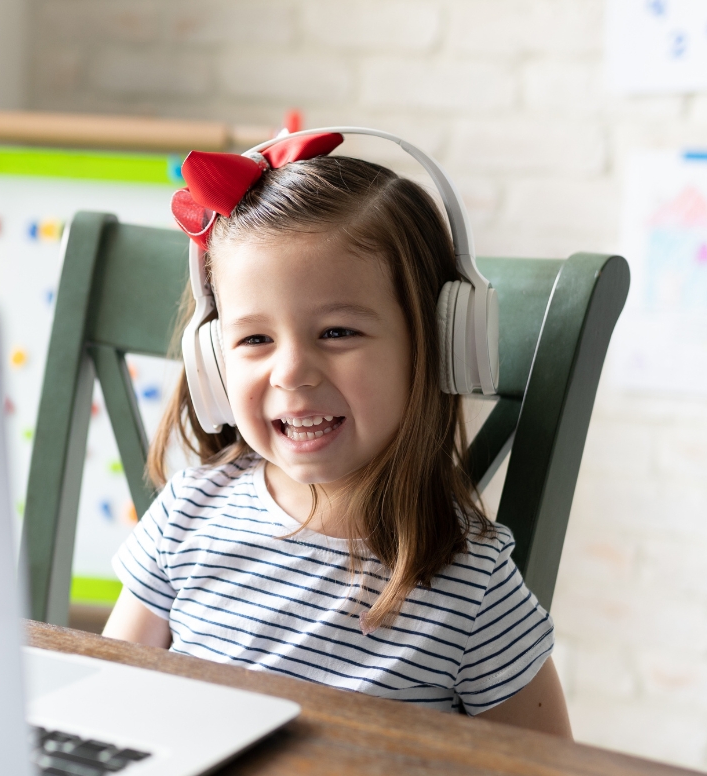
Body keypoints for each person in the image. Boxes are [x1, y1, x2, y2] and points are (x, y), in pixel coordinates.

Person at [101, 137, 571, 738]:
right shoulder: (187, 516)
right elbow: (111, 706)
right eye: (254, 339)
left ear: (437, 346)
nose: (292, 371)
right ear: (211, 360)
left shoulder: (473, 586)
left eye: (339, 331)